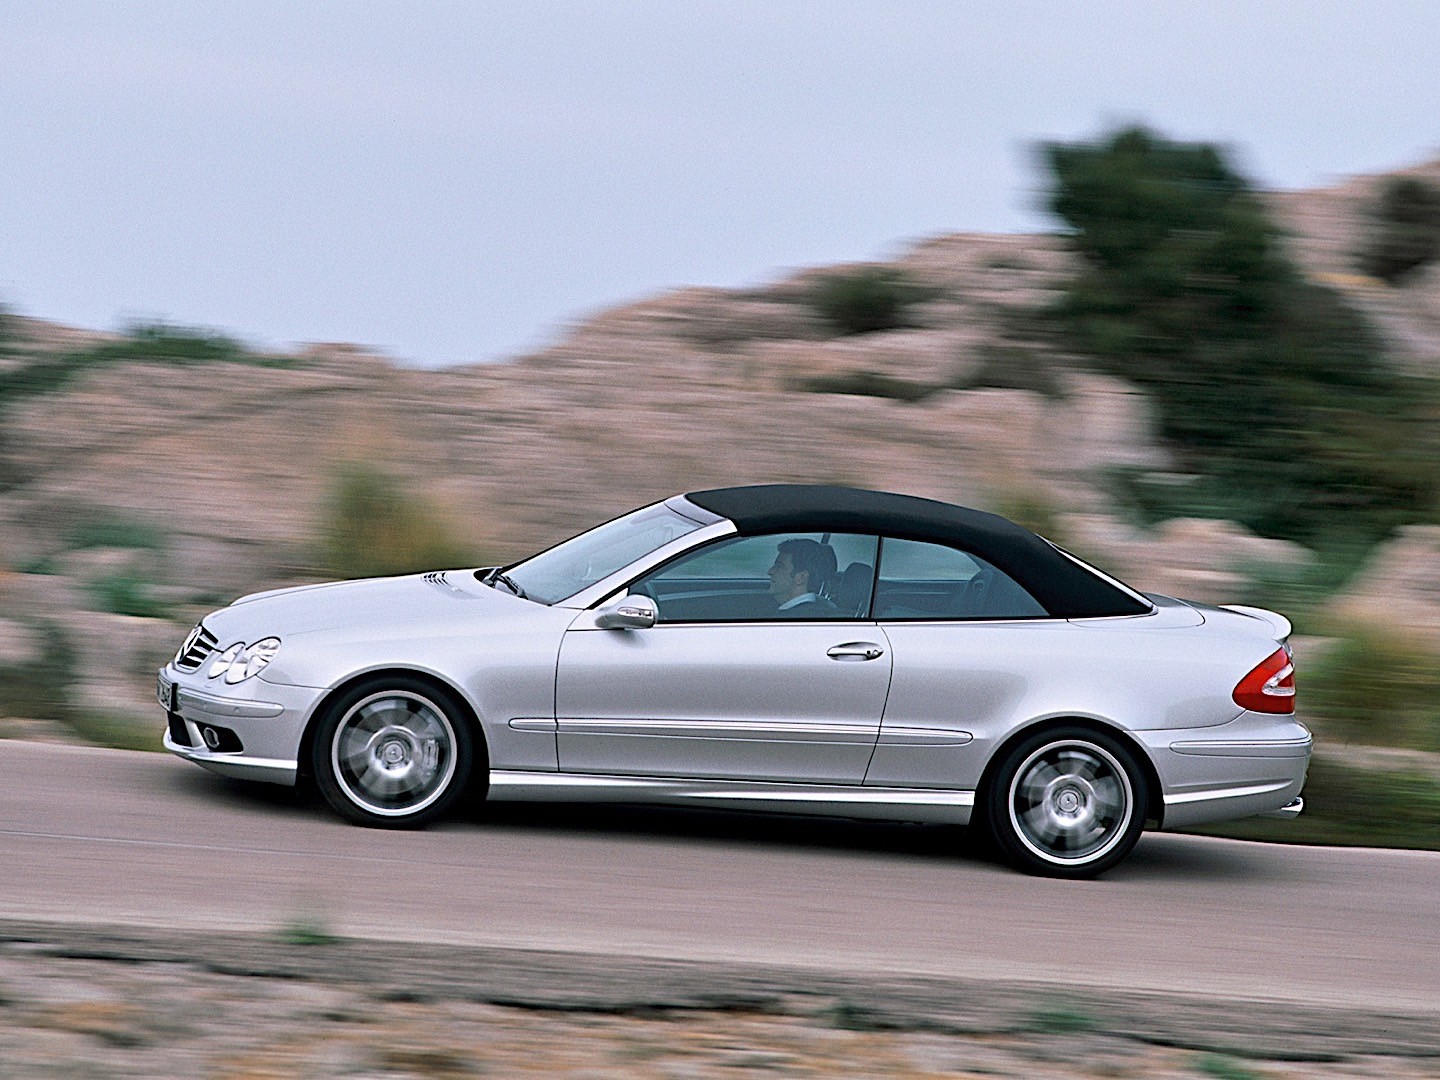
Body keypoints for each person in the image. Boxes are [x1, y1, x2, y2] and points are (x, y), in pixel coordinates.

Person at [767, 538, 838, 617]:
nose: (770, 571)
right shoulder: (818, 608)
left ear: (801, 577)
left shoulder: (794, 617)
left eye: (779, 566)